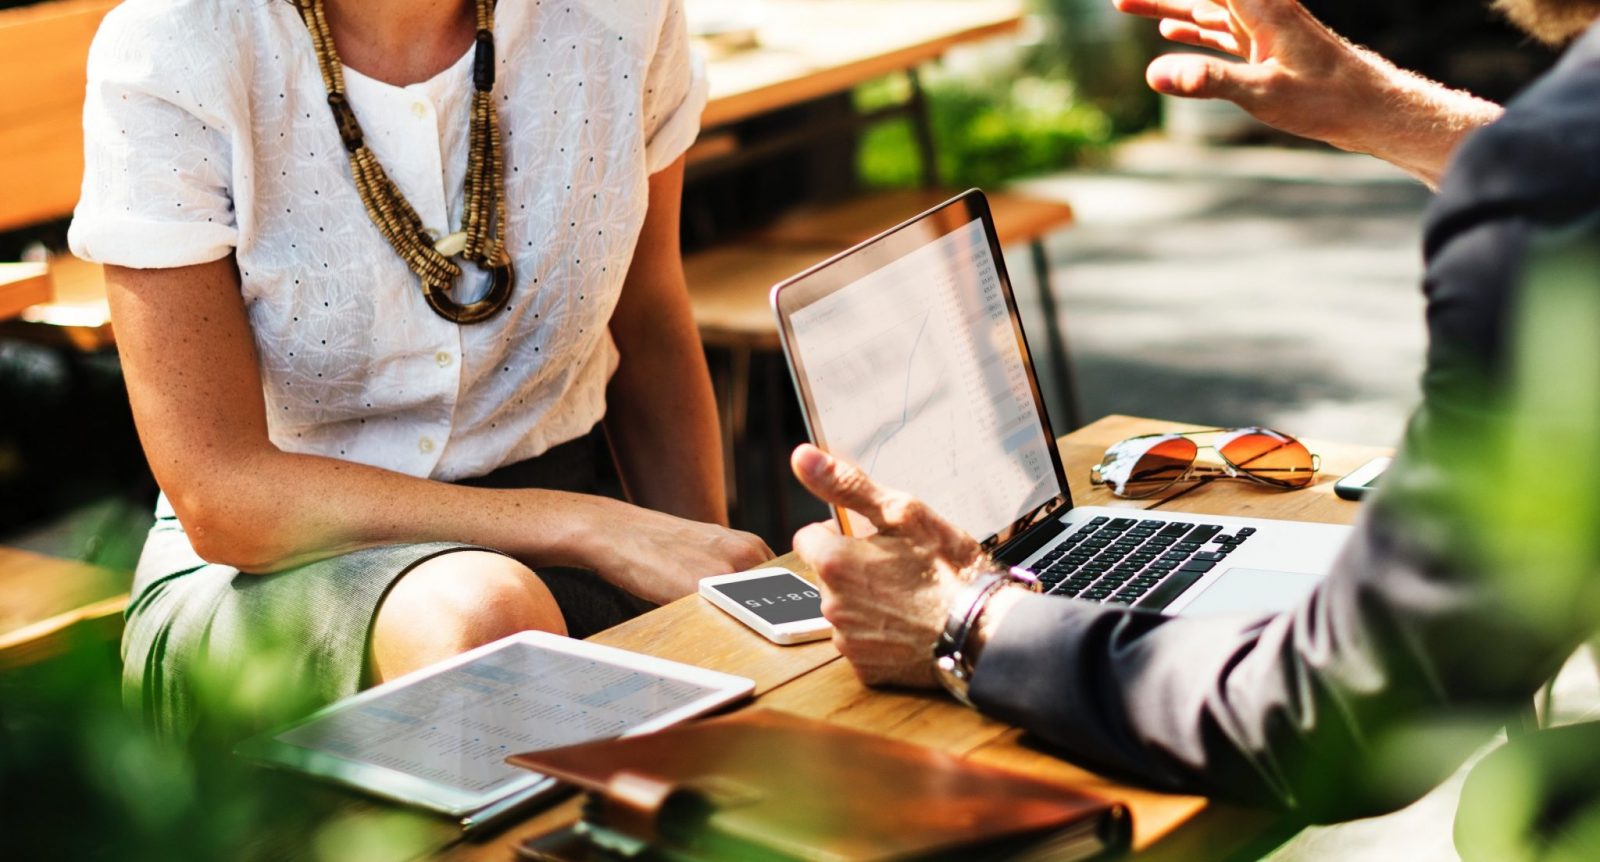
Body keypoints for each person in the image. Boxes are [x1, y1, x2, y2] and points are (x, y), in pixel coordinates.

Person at [789, 0, 1600, 823]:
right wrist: (1384, 110)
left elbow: (1336, 714)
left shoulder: (1549, 191)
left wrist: (964, 619)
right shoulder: (1560, 163)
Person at [68, 0, 771, 737]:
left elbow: (650, 314)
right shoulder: (177, 42)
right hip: (271, 575)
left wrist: (708, 588)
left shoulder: (624, 16)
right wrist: (586, 526)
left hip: (575, 558)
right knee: (491, 620)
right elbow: (221, 496)